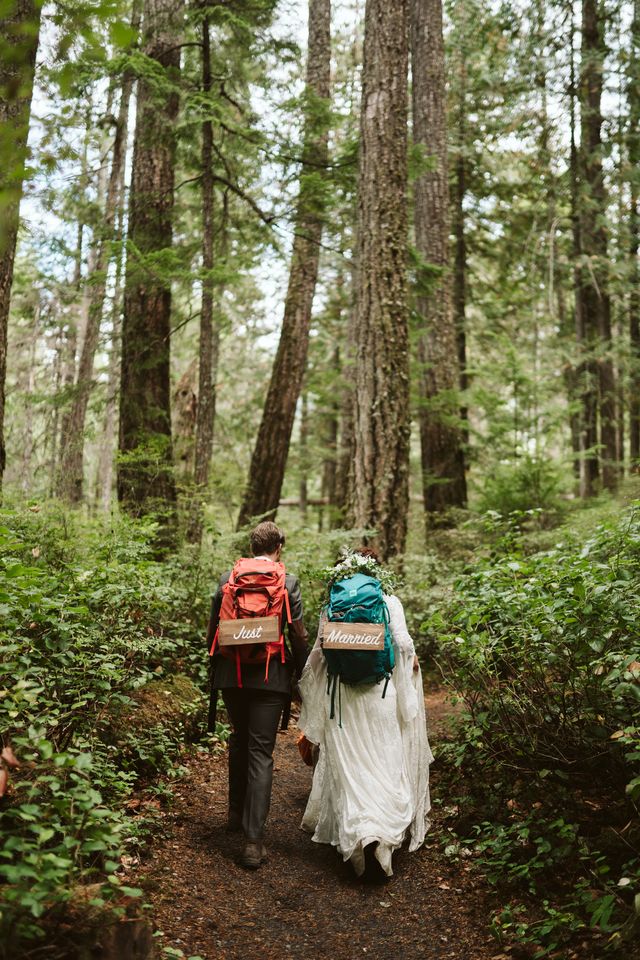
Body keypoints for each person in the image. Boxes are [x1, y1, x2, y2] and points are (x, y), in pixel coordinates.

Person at [298, 549, 432, 879]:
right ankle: (383, 837)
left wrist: (306, 690)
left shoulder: (334, 604)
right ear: (377, 574)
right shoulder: (389, 602)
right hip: (380, 695)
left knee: (351, 769)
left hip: (343, 700)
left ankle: (358, 835)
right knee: (385, 762)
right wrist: (408, 673)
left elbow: (318, 654)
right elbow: (402, 645)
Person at [207, 521, 309, 869]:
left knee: (238, 738)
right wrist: (302, 672)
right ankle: (252, 842)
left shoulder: (227, 579)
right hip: (270, 675)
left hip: (230, 673)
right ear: (279, 546)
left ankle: (235, 815)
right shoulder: (288, 582)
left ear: (253, 546)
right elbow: (296, 633)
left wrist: (213, 666)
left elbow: (212, 629)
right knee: (260, 752)